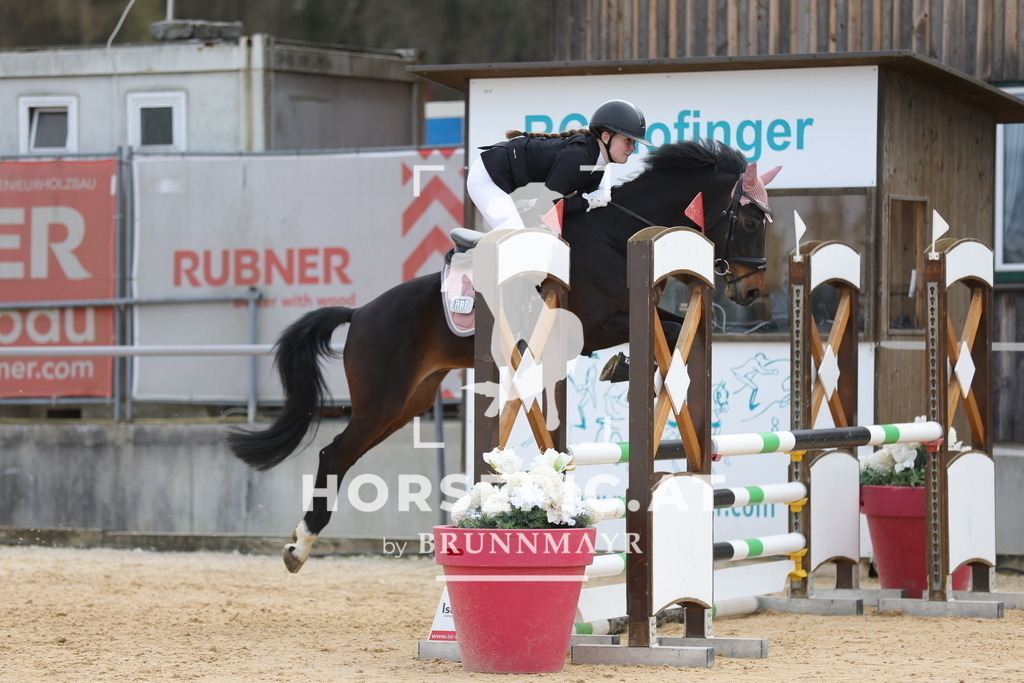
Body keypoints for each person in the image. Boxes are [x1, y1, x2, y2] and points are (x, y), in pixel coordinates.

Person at [466, 99, 649, 231]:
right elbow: (545, 207)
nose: (632, 148)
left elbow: (565, 206)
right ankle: (463, 261)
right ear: (606, 137)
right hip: (489, 178)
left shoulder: (597, 165)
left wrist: (589, 202)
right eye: (628, 141)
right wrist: (588, 201)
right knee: (517, 238)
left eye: (634, 142)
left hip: (515, 186)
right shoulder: (578, 157)